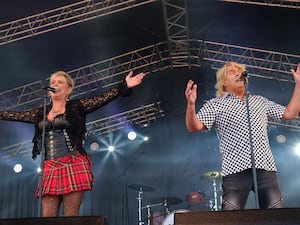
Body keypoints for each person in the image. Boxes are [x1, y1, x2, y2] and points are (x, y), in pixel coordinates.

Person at [0, 70, 145, 217]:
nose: (55, 84)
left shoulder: (77, 106)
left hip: (73, 162)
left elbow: (102, 98)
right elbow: (14, 115)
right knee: (47, 217)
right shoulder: (41, 112)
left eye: (60, 82)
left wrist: (124, 85)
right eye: (53, 82)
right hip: (50, 166)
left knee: (70, 216)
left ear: (68, 89)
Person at [185, 61, 300, 210]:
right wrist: (191, 105)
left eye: (239, 71)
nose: (238, 74)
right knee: (231, 219)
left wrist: (298, 85)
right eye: (232, 72)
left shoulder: (259, 101)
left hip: (265, 168)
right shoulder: (216, 104)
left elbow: (290, 113)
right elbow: (194, 126)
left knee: (276, 217)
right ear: (224, 83)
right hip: (234, 170)